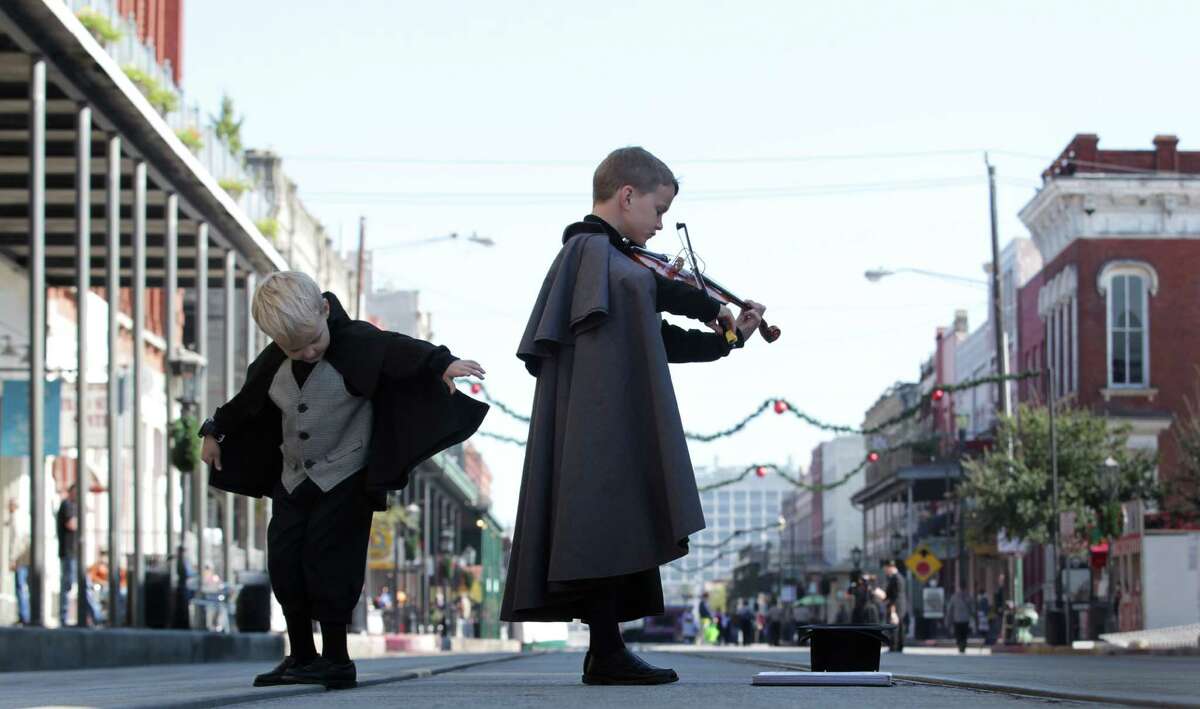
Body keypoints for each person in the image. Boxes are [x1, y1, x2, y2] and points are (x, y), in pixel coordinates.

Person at [499, 147, 765, 686]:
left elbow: (654, 337)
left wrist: (730, 338)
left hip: (607, 417)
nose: (662, 225)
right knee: (600, 521)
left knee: (615, 521)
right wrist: (705, 302)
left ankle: (606, 650)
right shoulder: (591, 250)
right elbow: (646, 288)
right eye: (658, 209)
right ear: (627, 196)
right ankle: (606, 652)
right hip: (596, 421)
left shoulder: (613, 260)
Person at [201, 272, 487, 690]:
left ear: (325, 310)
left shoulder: (358, 342)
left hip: (346, 475)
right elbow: (246, 401)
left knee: (330, 561)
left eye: (313, 341)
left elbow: (400, 351)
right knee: (284, 561)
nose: (307, 352)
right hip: (294, 477)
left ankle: (336, 658)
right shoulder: (275, 360)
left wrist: (443, 363)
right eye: (293, 348)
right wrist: (214, 431)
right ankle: (301, 655)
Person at [6, 498, 30, 626]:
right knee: (24, 587)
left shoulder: (16, 519)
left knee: (20, 587)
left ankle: (24, 615)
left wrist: (12, 559)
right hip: (26, 558)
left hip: (21, 559)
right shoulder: (22, 518)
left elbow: (15, 542)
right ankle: (26, 615)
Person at [884, 562, 907, 652]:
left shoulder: (894, 578)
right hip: (901, 604)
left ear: (891, 567)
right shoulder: (901, 577)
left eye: (886, 569)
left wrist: (892, 609)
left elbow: (894, 595)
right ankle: (900, 646)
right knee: (900, 625)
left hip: (896, 605)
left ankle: (894, 646)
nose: (886, 572)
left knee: (894, 625)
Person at [947, 582, 973, 653]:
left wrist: (949, 619)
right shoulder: (968, 596)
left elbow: (950, 609)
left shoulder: (954, 596)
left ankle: (960, 645)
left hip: (957, 619)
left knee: (958, 634)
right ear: (965, 587)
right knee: (964, 634)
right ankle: (963, 645)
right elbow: (972, 608)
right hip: (965, 619)